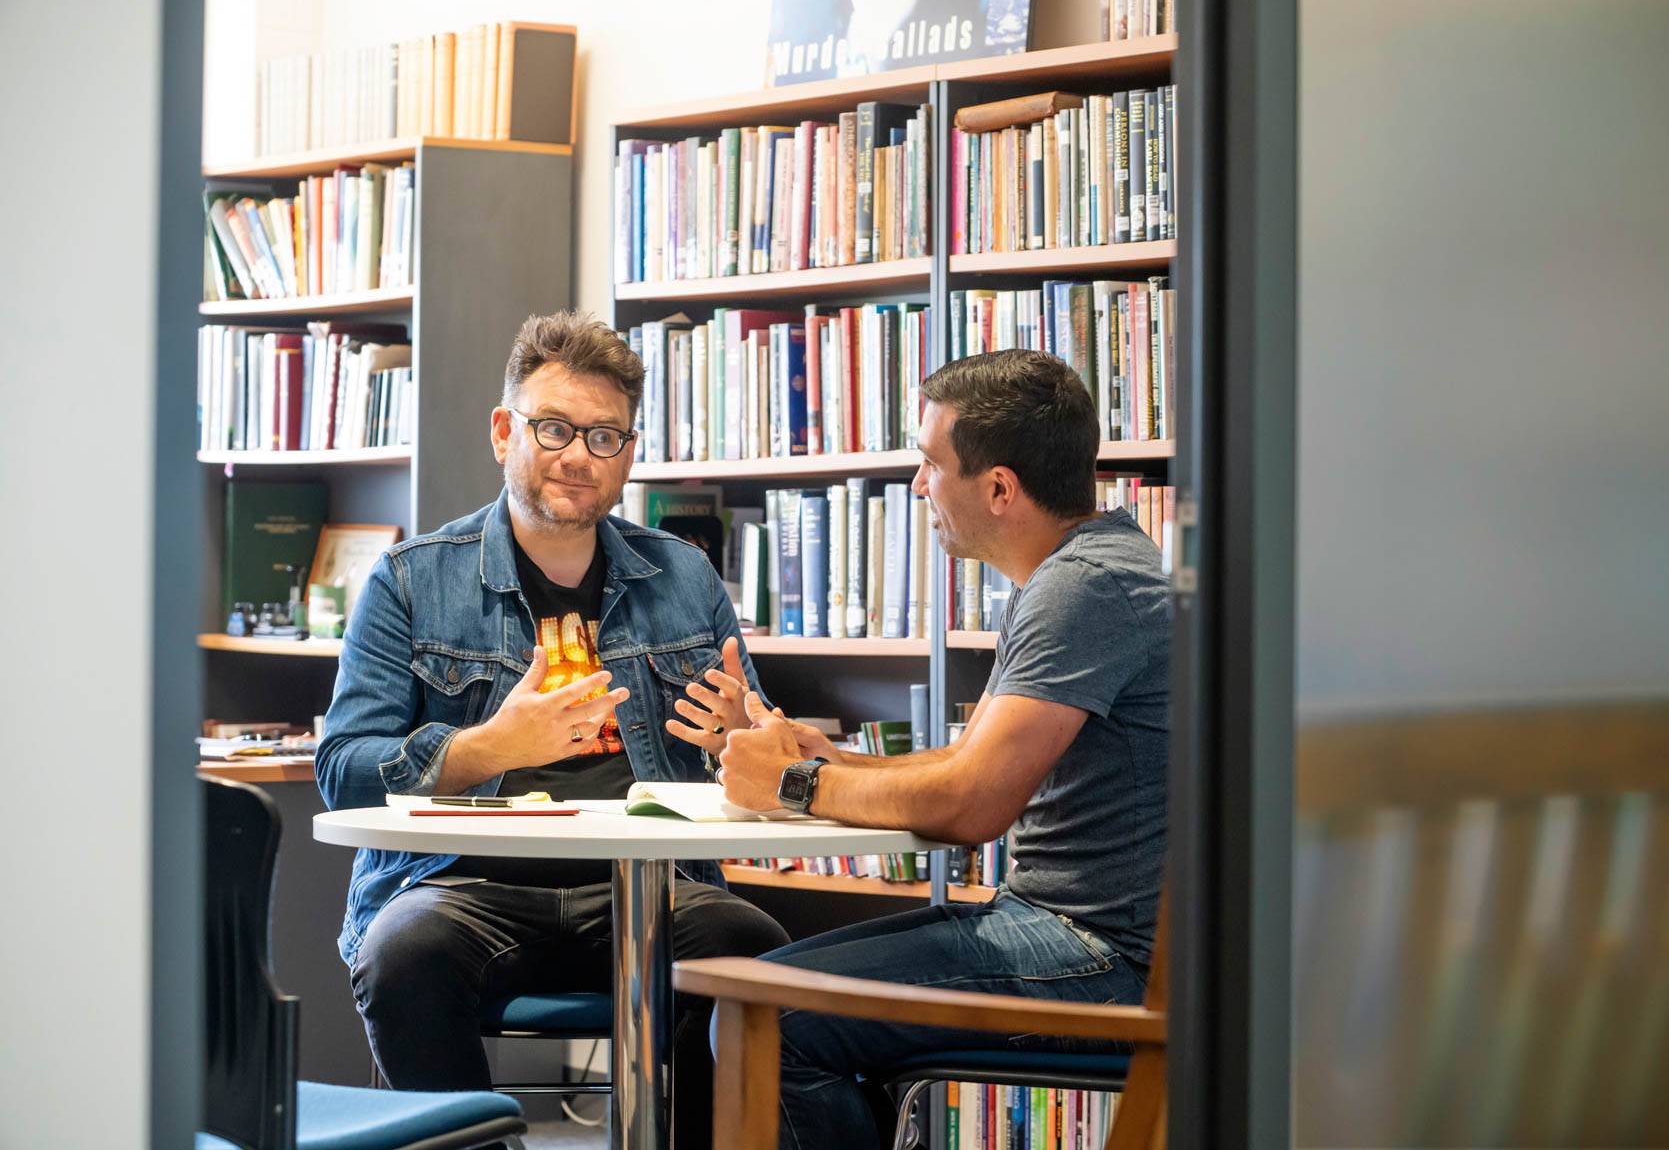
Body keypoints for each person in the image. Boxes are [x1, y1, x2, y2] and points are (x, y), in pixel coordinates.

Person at [315, 310, 789, 1150]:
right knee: (399, 956)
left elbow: (758, 751)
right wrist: (489, 748)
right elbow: (343, 769)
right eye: (555, 428)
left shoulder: (682, 576)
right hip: (464, 890)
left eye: (605, 437)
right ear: (505, 432)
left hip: (646, 889)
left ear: (629, 454)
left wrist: (741, 744)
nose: (579, 456)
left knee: (753, 949)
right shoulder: (410, 582)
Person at [712, 349, 1170, 1149]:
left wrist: (792, 784)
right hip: (1066, 930)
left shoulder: (1083, 588)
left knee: (766, 1017)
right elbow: (966, 764)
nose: (919, 486)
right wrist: (831, 758)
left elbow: (970, 806)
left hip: (1098, 959)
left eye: (930, 464)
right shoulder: (1078, 571)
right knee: (758, 991)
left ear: (997, 487)